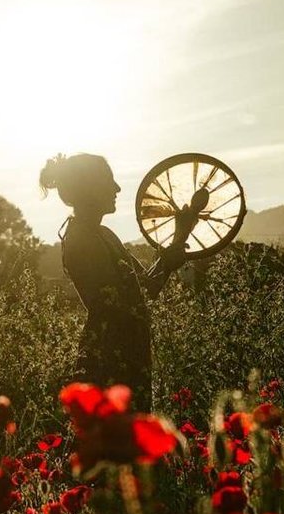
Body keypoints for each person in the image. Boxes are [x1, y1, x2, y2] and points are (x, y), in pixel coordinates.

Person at [39, 153, 205, 409]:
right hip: (110, 359)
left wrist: (180, 236)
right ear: (90, 188)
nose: (117, 188)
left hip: (125, 353)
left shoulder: (102, 234)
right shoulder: (82, 239)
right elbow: (126, 301)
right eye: (109, 181)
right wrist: (172, 252)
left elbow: (143, 287)